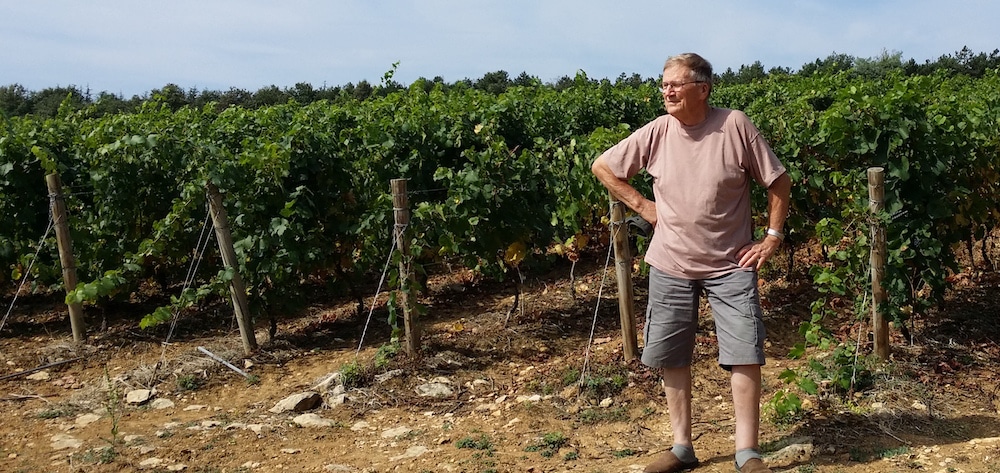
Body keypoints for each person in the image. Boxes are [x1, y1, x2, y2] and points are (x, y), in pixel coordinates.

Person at [591, 53, 791, 473]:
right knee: (673, 353)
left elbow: (778, 180)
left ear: (703, 88)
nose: (667, 91)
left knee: (744, 352)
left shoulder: (734, 125)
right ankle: (682, 447)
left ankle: (746, 452)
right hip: (670, 262)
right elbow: (604, 166)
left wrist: (771, 237)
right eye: (663, 84)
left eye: (676, 84)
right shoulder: (659, 131)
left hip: (731, 264)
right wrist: (641, 205)